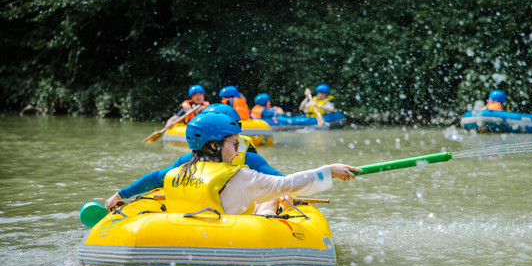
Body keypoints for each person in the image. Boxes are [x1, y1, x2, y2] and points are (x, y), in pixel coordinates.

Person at [162, 113, 361, 216]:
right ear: (215, 145)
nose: (239, 150)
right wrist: (329, 171)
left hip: (185, 244)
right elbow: (287, 184)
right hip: (224, 243)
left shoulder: (177, 174)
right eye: (234, 144)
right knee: (270, 199)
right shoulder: (241, 177)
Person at [105, 104, 281, 212]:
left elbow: (155, 179)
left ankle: (268, 213)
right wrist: (120, 194)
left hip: (233, 216)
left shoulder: (248, 159)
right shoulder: (187, 161)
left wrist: (120, 194)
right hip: (216, 217)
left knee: (270, 199)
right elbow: (157, 179)